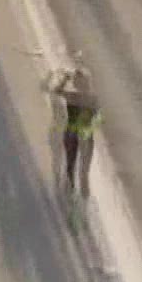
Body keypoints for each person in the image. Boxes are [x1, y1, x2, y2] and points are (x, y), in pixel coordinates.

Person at [47, 66, 99, 198]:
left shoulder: (74, 97)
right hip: (83, 135)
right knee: (82, 172)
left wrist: (64, 78)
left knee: (72, 168)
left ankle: (69, 197)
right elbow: (96, 118)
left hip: (72, 134)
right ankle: (80, 200)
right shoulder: (91, 99)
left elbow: (55, 91)